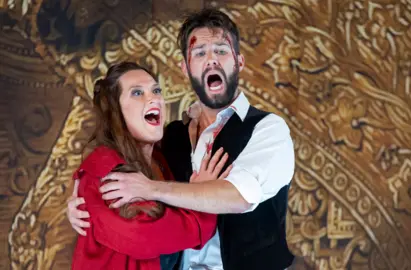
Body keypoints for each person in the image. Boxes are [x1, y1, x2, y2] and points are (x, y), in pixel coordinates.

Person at [67, 8, 295, 270]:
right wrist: (81, 203)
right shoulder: (171, 137)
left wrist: (150, 188)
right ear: (185, 69)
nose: (211, 60)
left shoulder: (268, 130)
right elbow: (116, 168)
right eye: (199, 53)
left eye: (221, 50)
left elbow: (240, 196)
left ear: (238, 62)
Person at [69, 61, 232, 270]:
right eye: (137, 93)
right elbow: (143, 236)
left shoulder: (161, 160)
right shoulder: (102, 168)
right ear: (115, 110)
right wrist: (204, 201)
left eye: (156, 90)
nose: (153, 97)